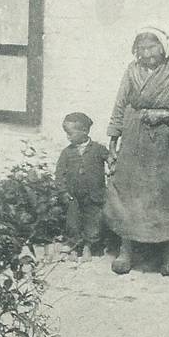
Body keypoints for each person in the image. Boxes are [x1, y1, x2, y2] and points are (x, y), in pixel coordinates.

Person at [104, 23, 169, 277]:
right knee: (128, 192)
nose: (147, 53)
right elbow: (119, 107)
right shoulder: (131, 71)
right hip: (133, 141)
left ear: (163, 47)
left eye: (152, 47)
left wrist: (166, 115)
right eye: (142, 48)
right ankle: (125, 249)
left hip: (166, 142)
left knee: (167, 195)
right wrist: (113, 143)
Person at [55, 112, 111, 261]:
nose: (68, 137)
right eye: (66, 134)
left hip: (95, 195)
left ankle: (88, 247)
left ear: (85, 131)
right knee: (73, 222)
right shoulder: (67, 152)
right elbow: (59, 174)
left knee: (94, 222)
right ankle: (74, 247)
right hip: (73, 196)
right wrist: (63, 191)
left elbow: (111, 159)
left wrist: (113, 161)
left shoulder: (98, 149)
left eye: (70, 133)